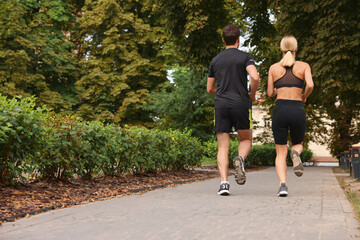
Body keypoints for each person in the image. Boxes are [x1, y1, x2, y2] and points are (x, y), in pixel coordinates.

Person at [207, 24, 259, 196]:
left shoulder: (215, 60)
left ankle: (223, 184)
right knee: (246, 138)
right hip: (241, 103)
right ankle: (240, 159)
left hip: (221, 105)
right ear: (238, 40)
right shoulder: (245, 57)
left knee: (223, 146)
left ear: (223, 40)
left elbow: (209, 89)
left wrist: (221, 92)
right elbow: (255, 76)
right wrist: (252, 93)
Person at [267, 35, 314, 197]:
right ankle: (296, 154)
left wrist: (277, 89)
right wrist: (304, 96)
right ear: (296, 49)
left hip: (280, 110)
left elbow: (269, 93)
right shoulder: (303, 66)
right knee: (298, 143)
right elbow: (310, 84)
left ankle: (283, 186)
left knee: (280, 153)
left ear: (281, 49)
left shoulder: (273, 68)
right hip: (297, 109)